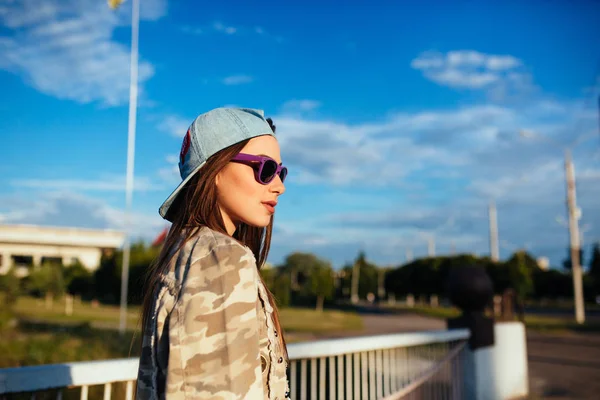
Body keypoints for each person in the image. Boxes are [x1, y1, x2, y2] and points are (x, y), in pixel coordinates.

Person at [136, 108, 289, 400]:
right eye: (265, 169)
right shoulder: (221, 260)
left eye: (281, 172)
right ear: (215, 171)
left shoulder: (185, 253)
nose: (279, 186)